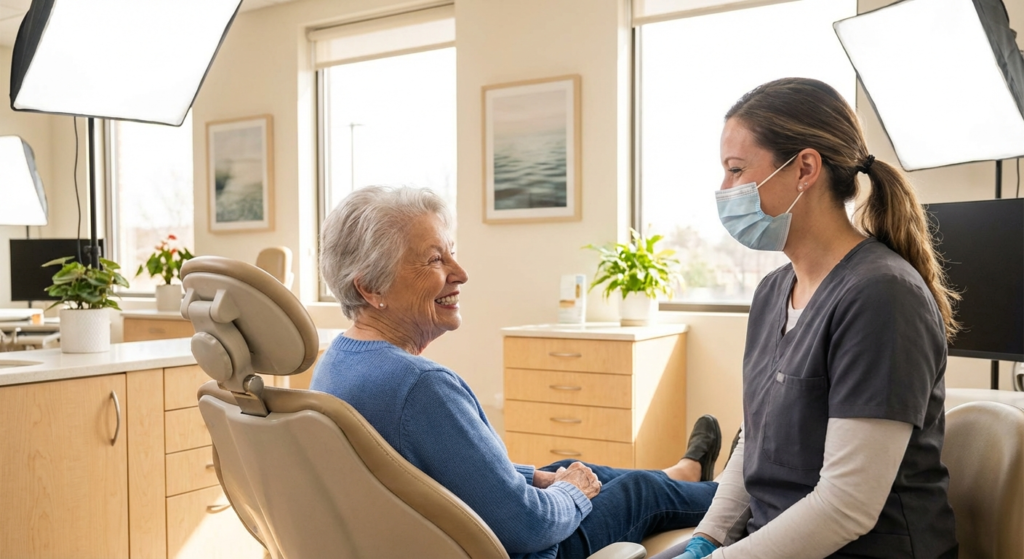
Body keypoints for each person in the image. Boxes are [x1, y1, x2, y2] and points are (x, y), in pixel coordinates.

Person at [311, 185, 720, 559]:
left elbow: (419, 471)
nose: (461, 272)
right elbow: (528, 527)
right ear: (370, 288)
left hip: (434, 533)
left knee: (568, 464)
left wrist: (536, 477)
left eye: (451, 251)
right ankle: (742, 494)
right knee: (637, 492)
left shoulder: (337, 364)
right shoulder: (421, 387)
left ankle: (683, 474)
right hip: (531, 551)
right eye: (436, 259)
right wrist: (571, 492)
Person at [666, 78, 960, 559]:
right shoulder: (772, 293)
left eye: (737, 170)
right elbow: (752, 445)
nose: (724, 190)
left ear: (804, 168)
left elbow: (846, 506)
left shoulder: (882, 296)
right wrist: (708, 538)